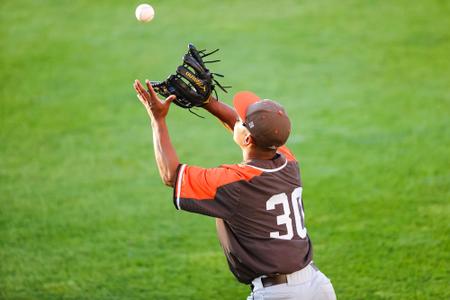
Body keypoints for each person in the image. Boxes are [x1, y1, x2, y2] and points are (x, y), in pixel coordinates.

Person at [133, 79, 337, 300]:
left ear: (248, 138)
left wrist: (158, 119)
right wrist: (207, 102)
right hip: (317, 286)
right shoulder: (288, 162)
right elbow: (241, 126)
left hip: (279, 295)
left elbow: (171, 175)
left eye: (242, 120)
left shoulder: (235, 183)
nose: (237, 119)